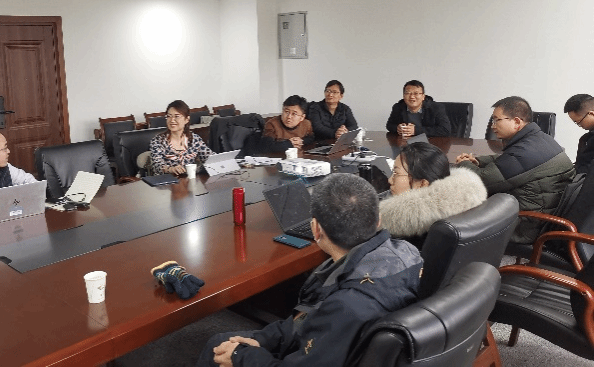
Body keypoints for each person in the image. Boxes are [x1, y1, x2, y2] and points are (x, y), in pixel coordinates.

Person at [196, 173, 423, 367]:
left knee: (217, 346)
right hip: (337, 347)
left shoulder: (345, 307)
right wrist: (265, 340)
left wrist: (242, 356)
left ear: (315, 229)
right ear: (378, 220)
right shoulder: (408, 253)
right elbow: (308, 318)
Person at [456, 96, 574, 243]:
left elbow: (482, 181)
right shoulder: (540, 139)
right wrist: (478, 161)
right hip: (544, 216)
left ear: (517, 122)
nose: (493, 126)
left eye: (497, 120)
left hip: (526, 225)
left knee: (456, 203)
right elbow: (506, 160)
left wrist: (463, 164)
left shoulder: (525, 152)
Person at [379, 142, 487, 249]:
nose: (390, 180)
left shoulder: (397, 238)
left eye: (396, 173)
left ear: (422, 184)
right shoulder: (461, 206)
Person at [150, 100, 214, 176]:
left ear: (187, 119)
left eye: (177, 116)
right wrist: (170, 169)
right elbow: (157, 165)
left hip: (189, 180)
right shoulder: (158, 141)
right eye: (169, 116)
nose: (172, 120)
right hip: (167, 181)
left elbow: (210, 157)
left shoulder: (194, 139)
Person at [385, 80, 451, 138]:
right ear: (404, 96)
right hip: (406, 143)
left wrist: (415, 130)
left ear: (423, 96)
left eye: (416, 93)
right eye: (408, 93)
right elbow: (389, 125)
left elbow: (445, 130)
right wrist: (397, 128)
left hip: (430, 144)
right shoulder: (398, 107)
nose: (412, 97)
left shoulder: (436, 108)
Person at [563, 94, 594, 174]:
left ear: (591, 114)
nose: (579, 125)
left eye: (578, 122)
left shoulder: (588, 140)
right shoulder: (586, 138)